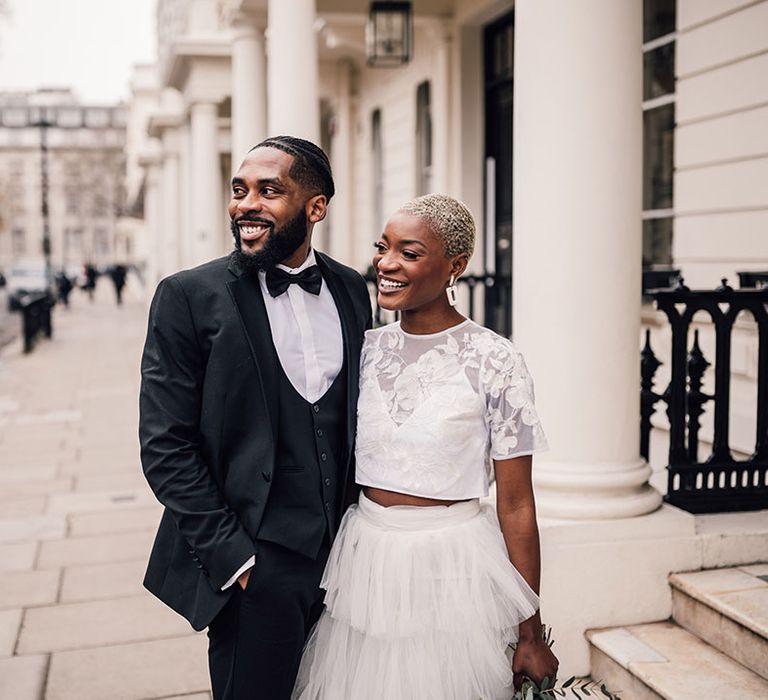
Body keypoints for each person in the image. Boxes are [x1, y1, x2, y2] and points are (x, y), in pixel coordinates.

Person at [293, 194, 559, 700]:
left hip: (452, 570)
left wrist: (531, 630)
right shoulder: (363, 350)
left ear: (455, 265)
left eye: (409, 253)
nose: (386, 264)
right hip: (365, 567)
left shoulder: (495, 360)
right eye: (383, 247)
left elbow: (518, 504)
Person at [139, 136, 371, 700]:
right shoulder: (188, 296)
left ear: (315, 208)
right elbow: (165, 446)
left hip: (348, 558)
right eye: (240, 190)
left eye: (270, 191)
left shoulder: (350, 288)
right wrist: (233, 555)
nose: (246, 204)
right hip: (255, 563)